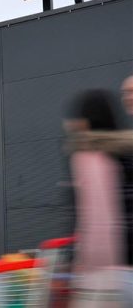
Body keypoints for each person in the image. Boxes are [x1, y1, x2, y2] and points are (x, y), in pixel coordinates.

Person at [64, 90, 125, 306]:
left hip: (99, 274)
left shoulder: (86, 156)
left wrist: (75, 263)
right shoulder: (123, 151)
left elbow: (89, 216)